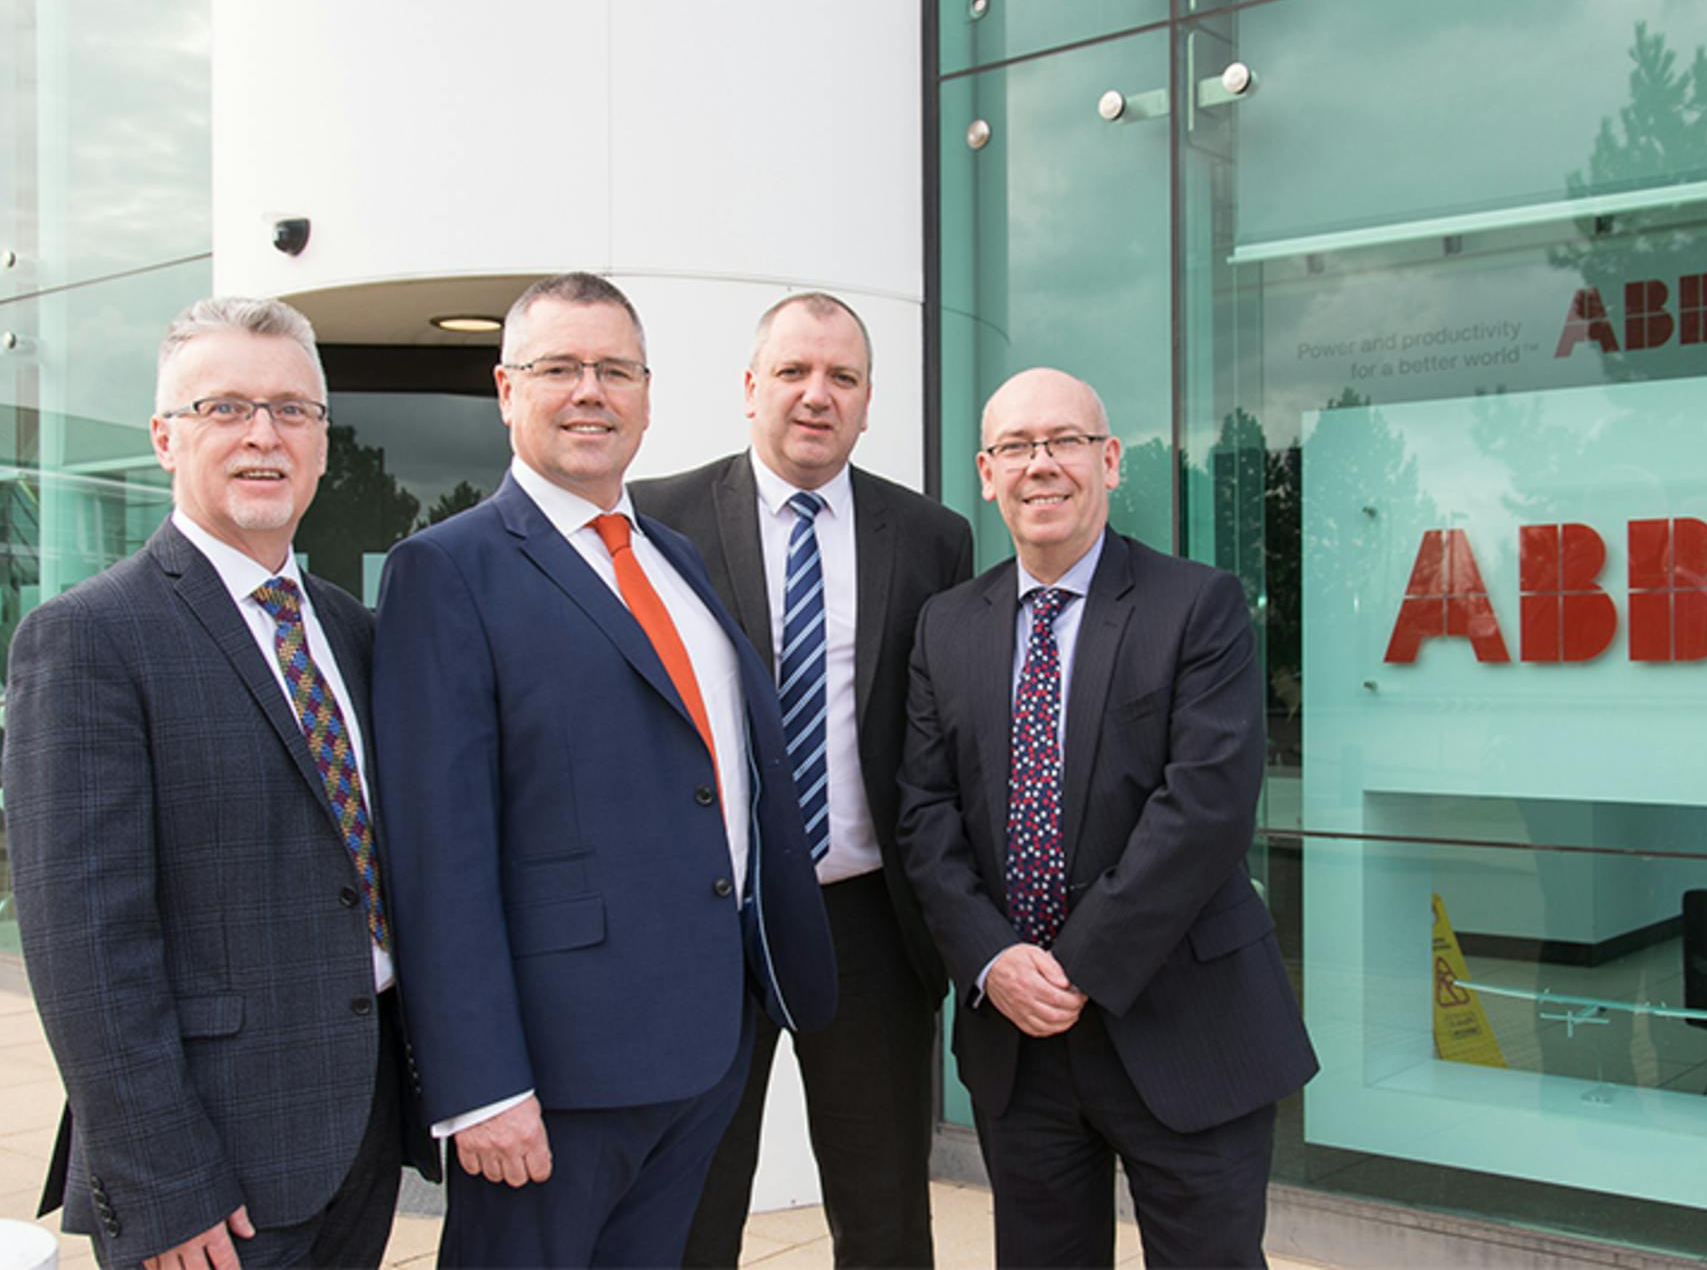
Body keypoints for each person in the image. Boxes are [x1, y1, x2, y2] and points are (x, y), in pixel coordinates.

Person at [371, 272, 838, 1268]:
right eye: (558, 368)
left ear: (647, 393)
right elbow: (436, 856)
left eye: (614, 369)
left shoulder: (673, 557)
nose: (591, 391)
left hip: (700, 1051)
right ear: (507, 390)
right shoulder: (445, 571)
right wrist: (481, 1085)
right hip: (551, 1081)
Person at [5, 296, 438, 1270]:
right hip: (214, 1170)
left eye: (292, 410)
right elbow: (85, 949)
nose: (263, 434)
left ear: (324, 442)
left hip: (362, 1133)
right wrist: (161, 1184)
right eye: (225, 408)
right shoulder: (90, 638)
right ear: (164, 437)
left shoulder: (354, 631)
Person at [897, 367, 1317, 1268]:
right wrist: (993, 959)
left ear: (1110, 460)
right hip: (1020, 1045)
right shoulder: (945, 626)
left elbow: (1204, 808)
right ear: (985, 471)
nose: (1040, 465)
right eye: (1016, 446)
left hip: (1187, 1027)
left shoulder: (1197, 605)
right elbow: (926, 814)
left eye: (1064, 442)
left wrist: (1072, 966)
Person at [633, 292, 973, 1267]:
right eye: (792, 371)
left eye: (842, 377)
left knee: (884, 1215)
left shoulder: (932, 538)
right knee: (695, 1207)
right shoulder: (659, 521)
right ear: (750, 389)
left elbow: (942, 736)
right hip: (714, 922)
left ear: (869, 404)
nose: (815, 395)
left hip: (868, 922)